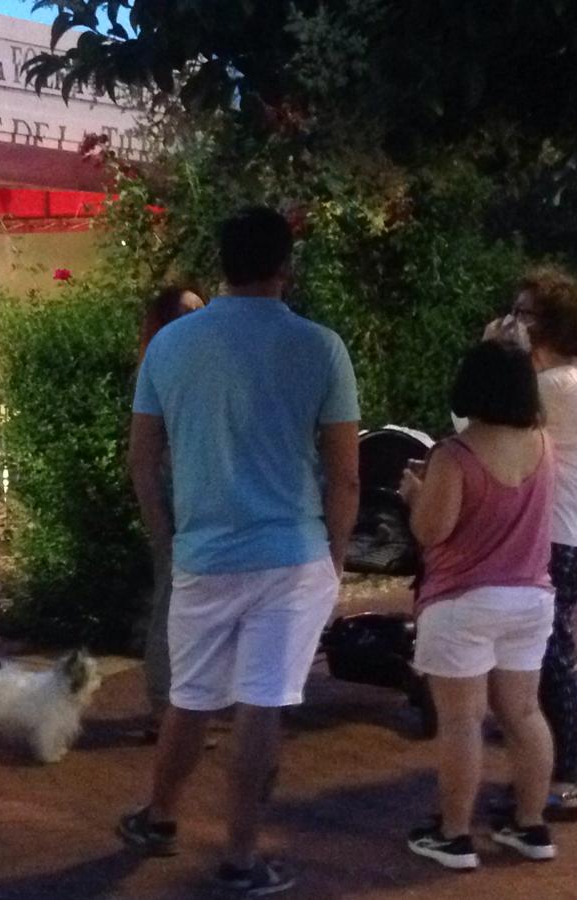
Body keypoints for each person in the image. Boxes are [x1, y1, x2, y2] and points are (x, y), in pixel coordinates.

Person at [120, 206, 360, 895]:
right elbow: (345, 474)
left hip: (203, 555)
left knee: (191, 698)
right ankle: (241, 858)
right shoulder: (322, 348)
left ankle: (160, 818)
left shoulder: (170, 346)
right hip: (293, 554)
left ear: (222, 262)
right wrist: (336, 555)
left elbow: (141, 458)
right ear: (286, 264)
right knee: (263, 704)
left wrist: (166, 538)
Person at [400, 340, 559, 870]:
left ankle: (454, 835)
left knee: (462, 721)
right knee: (524, 712)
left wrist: (415, 494)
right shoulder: (544, 445)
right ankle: (531, 825)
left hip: (462, 603)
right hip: (530, 599)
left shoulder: (456, 454)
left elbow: (431, 531)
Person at [509, 267, 577, 819]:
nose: (514, 322)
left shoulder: (556, 387)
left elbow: (478, 421)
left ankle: (572, 768)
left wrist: (496, 355)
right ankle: (576, 761)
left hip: (551, 537)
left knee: (552, 657)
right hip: (566, 534)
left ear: (550, 323)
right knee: (556, 652)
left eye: (523, 313)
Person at [137, 284, 205, 736]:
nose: (198, 319)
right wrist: (159, 525)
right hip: (175, 495)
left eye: (201, 309)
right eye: (188, 311)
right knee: (170, 597)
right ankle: (164, 705)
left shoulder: (199, 363)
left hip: (197, 495)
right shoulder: (162, 366)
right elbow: (144, 454)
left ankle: (183, 704)